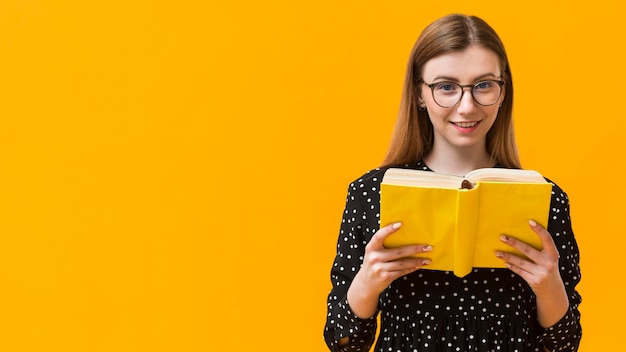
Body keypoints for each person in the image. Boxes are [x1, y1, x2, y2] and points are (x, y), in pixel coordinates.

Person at [323, 14, 582, 352]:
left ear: (503, 91)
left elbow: (564, 345)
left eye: (484, 85)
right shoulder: (370, 194)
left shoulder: (546, 198)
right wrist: (367, 284)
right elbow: (343, 342)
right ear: (419, 93)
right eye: (446, 87)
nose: (467, 105)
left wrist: (550, 286)